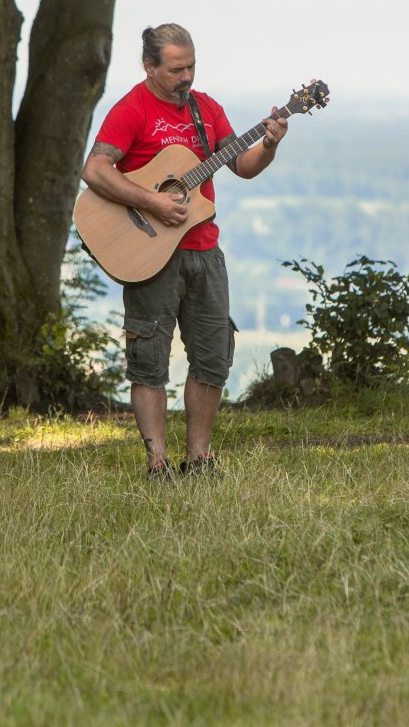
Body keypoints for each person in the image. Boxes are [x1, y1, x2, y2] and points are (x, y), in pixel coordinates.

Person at [81, 23, 288, 480]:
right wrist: (152, 200)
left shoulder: (206, 109)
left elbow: (243, 166)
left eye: (192, 65)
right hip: (149, 254)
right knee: (149, 361)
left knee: (213, 356)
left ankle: (199, 460)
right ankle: (157, 465)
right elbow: (94, 170)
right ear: (149, 66)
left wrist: (269, 144)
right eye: (177, 68)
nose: (187, 76)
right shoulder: (132, 108)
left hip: (204, 249)